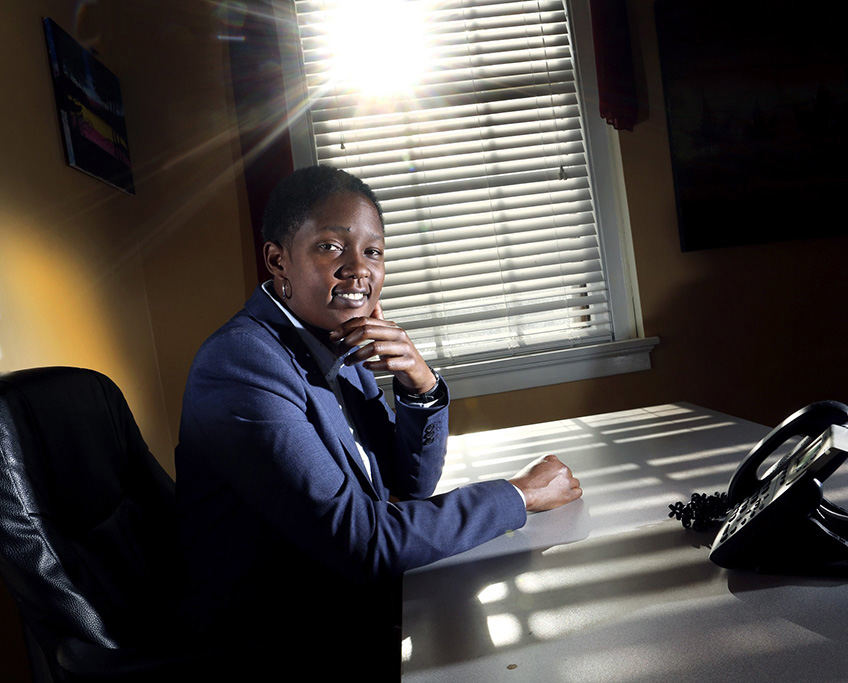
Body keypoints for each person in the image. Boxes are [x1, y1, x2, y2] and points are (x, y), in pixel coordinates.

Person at [175, 165, 582, 676]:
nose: (359, 270)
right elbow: (363, 541)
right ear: (279, 260)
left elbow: (408, 483)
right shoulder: (242, 363)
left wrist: (420, 384)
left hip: (345, 599)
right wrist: (519, 495)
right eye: (330, 247)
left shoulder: (332, 336)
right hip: (281, 636)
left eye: (373, 252)